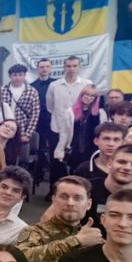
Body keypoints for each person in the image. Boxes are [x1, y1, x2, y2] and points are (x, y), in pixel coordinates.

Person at [16, 175, 102, 262]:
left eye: (77, 198)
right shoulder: (35, 231)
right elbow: (21, 259)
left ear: (88, 204)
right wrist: (76, 241)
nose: (70, 203)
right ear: (54, 200)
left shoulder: (93, 238)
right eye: (64, 197)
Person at [46, 56, 92, 192]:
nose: (71, 69)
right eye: (68, 66)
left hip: (78, 130)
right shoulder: (54, 85)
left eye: (74, 66)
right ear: (64, 67)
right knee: (56, 161)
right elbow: (50, 106)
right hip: (57, 128)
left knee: (76, 161)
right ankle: (54, 190)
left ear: (79, 67)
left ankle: (75, 190)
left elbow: (90, 104)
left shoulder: (86, 84)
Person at [53, 84, 102, 171]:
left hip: (92, 148)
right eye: (87, 94)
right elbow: (64, 132)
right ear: (81, 95)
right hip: (75, 148)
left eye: (92, 96)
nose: (89, 98)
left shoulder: (99, 113)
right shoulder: (70, 112)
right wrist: (60, 151)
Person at [2, 63, 40, 164]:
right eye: (15, 75)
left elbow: (35, 114)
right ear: (10, 76)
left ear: (24, 75)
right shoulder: (3, 90)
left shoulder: (32, 91)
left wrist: (28, 134)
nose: (18, 78)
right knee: (5, 158)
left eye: (20, 75)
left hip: (22, 131)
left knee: (21, 160)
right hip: (5, 130)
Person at [31, 58, 56, 189]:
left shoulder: (56, 84)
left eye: (47, 66)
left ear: (51, 68)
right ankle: (38, 175)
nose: (44, 69)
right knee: (39, 149)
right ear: (38, 69)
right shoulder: (32, 86)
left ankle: (53, 179)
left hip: (54, 122)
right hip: (38, 122)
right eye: (42, 67)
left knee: (53, 149)